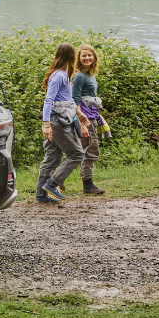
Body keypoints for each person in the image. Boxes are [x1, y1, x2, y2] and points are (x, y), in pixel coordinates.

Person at [36, 43, 91, 203]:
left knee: (52, 156)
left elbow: (67, 100)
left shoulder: (63, 74)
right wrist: (46, 124)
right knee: (77, 154)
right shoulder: (59, 75)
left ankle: (41, 195)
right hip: (57, 122)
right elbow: (49, 100)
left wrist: (79, 115)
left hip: (59, 120)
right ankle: (52, 184)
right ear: (72, 57)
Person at [72, 44, 106, 195]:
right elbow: (74, 100)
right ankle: (88, 185)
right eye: (84, 55)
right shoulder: (79, 76)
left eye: (89, 55)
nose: (87, 58)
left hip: (92, 116)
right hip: (84, 118)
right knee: (90, 150)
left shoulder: (90, 75)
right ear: (78, 58)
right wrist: (81, 121)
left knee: (85, 150)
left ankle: (55, 179)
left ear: (94, 57)